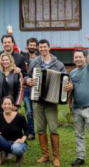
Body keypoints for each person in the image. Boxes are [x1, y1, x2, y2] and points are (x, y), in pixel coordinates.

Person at [25, 39, 66, 167]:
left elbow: (65, 79)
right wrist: (28, 81)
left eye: (44, 47)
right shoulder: (34, 63)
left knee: (53, 128)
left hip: (52, 101)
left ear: (49, 48)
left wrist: (67, 87)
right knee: (41, 128)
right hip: (37, 99)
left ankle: (56, 157)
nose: (42, 49)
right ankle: (45, 155)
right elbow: (26, 76)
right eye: (40, 47)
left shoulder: (58, 64)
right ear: (38, 49)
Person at [64, 37, 89, 167]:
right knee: (78, 135)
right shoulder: (72, 73)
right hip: (77, 109)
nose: (78, 59)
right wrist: (70, 89)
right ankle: (80, 157)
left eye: (80, 57)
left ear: (84, 58)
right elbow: (71, 90)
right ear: (73, 59)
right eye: (76, 57)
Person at [0, 96, 29, 167]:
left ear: (13, 105)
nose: (7, 106)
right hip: (4, 142)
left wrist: (23, 139)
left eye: (9, 104)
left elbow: (27, 130)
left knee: (16, 148)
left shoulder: (20, 117)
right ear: (1, 105)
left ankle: (19, 156)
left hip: (17, 143)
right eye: (5, 104)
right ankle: (1, 156)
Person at [0, 53, 24, 119]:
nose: (5, 62)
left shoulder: (17, 73)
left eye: (7, 60)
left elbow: (21, 89)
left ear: (10, 61)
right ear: (1, 61)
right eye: (3, 60)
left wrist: (17, 104)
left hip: (12, 104)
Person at [20, 37, 39, 140]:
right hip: (26, 88)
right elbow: (13, 47)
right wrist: (10, 33)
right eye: (30, 45)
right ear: (27, 46)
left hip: (37, 88)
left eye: (33, 45)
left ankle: (41, 131)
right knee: (29, 111)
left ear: (36, 47)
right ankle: (31, 133)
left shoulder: (40, 58)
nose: (32, 46)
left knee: (38, 111)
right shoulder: (22, 56)